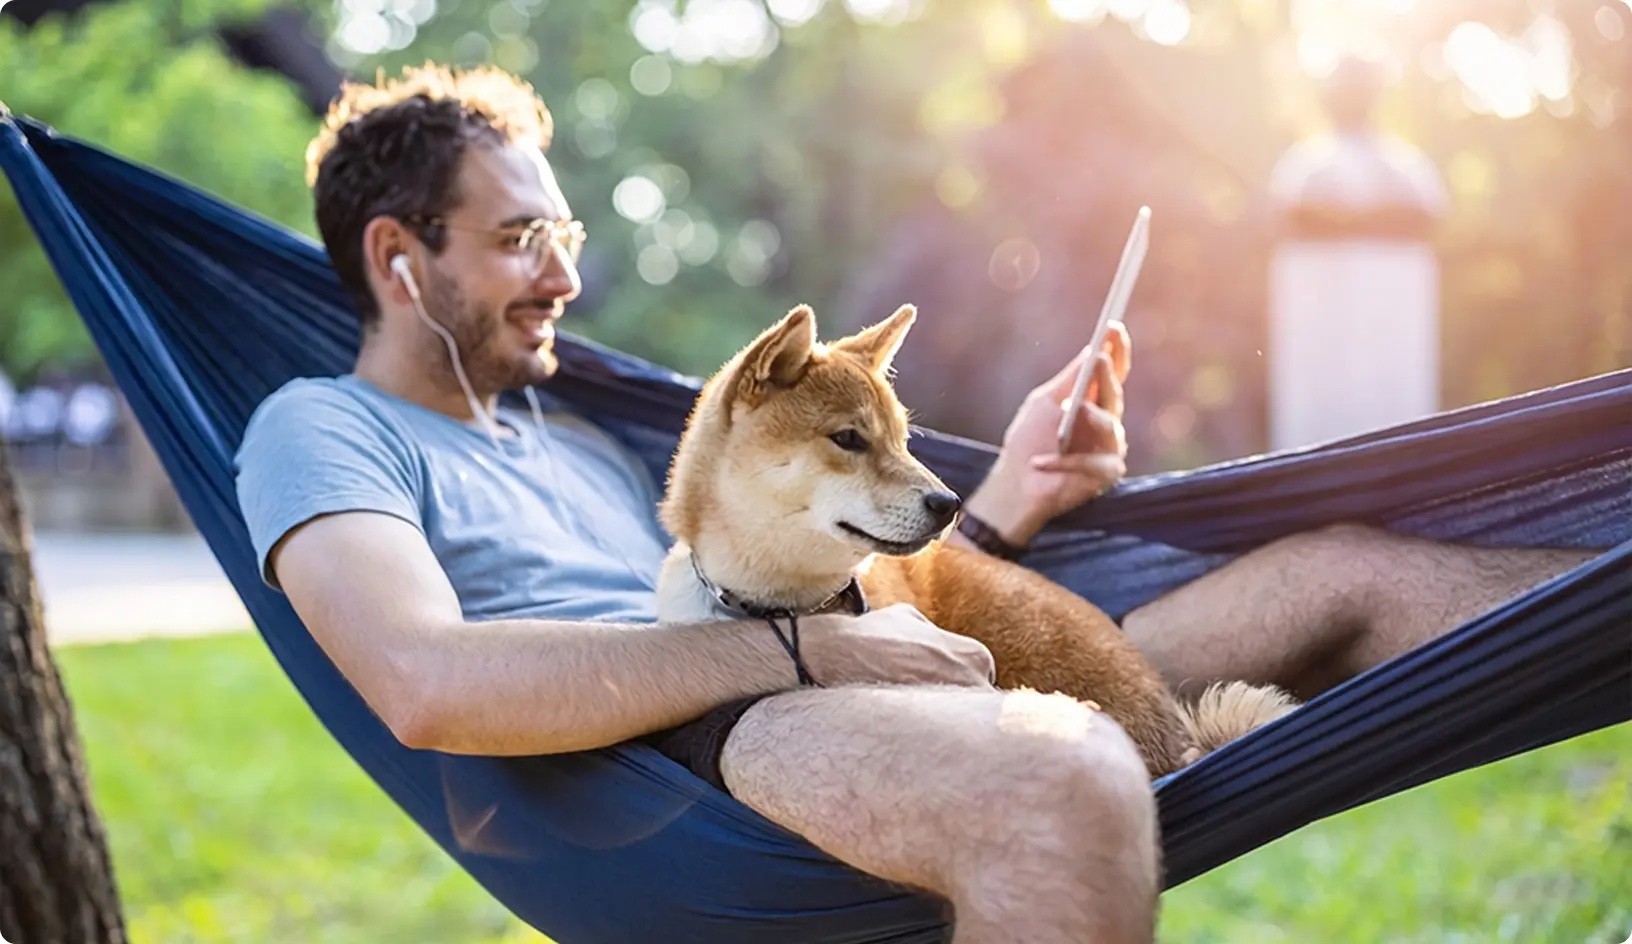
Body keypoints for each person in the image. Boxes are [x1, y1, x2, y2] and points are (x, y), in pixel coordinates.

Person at [233, 63, 1595, 944]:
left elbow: (826, 562)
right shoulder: (323, 431)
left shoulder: (581, 435)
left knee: (1348, 568)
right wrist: (811, 651)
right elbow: (424, 682)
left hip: (871, 658)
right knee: (1062, 785)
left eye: (565, 235)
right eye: (523, 239)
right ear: (400, 260)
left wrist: (1010, 495)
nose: (564, 277)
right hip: (694, 759)